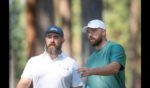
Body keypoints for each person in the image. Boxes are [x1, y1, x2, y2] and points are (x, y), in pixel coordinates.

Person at [16, 26, 83, 88]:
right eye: (49, 37)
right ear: (45, 39)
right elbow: (23, 84)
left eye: (56, 37)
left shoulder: (71, 63)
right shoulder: (33, 62)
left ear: (62, 40)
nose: (52, 40)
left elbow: (78, 87)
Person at [79, 19, 126, 88]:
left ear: (104, 32)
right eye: (88, 32)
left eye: (94, 30)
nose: (90, 35)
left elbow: (114, 68)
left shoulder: (115, 48)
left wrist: (92, 71)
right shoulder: (90, 59)